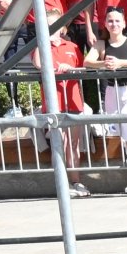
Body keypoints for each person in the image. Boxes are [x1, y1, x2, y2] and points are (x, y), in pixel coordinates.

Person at [86, 6, 127, 196]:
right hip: (112, 90)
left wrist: (121, 63)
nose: (114, 24)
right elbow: (88, 62)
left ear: (123, 23)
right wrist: (103, 63)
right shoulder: (101, 44)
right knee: (119, 128)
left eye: (117, 21)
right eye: (110, 21)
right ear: (105, 23)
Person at [42, 30, 90, 197]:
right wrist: (45, 43)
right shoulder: (42, 46)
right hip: (54, 101)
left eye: (55, 27)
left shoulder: (72, 46)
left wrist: (71, 69)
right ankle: (63, 183)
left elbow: (83, 68)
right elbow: (37, 64)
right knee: (59, 143)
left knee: (73, 143)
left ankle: (76, 181)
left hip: (73, 99)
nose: (52, 30)